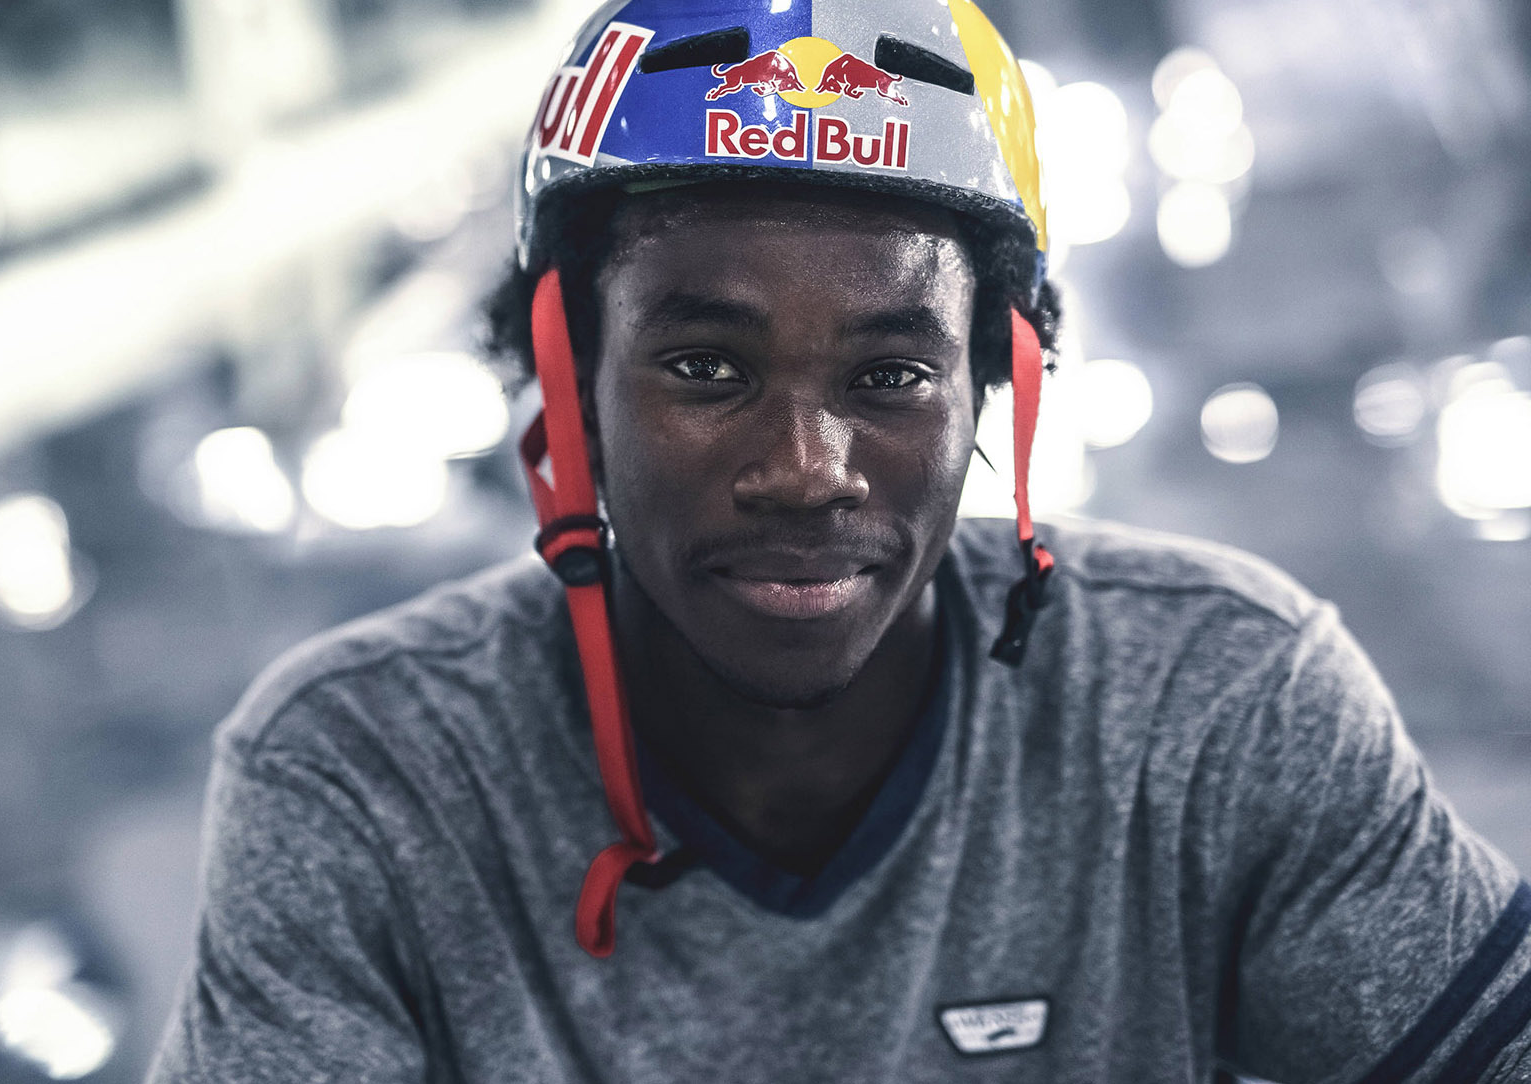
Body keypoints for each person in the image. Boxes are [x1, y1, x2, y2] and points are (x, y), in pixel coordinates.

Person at [147, 0, 1531, 1080]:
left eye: (890, 376)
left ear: (997, 391)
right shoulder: (362, 777)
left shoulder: (1214, 708)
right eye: (704, 368)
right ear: (564, 385)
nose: (805, 472)